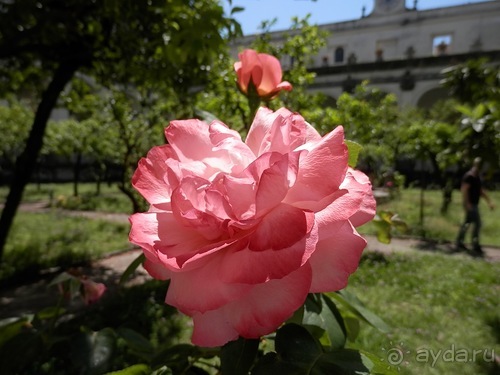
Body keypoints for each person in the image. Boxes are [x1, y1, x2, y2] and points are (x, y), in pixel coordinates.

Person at [455, 157, 495, 255]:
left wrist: (489, 201)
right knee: (478, 223)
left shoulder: (477, 177)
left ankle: (459, 242)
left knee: (467, 223)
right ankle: (475, 244)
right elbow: (464, 190)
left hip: (474, 204)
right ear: (475, 165)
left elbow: (480, 191)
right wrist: (467, 203)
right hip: (470, 204)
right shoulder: (469, 176)